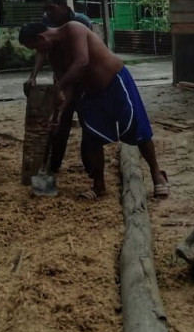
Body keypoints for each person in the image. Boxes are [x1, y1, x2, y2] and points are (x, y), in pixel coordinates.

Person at [18, 21, 170, 199]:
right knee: (92, 139)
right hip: (91, 94)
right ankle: (99, 185)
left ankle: (157, 175)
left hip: (115, 82)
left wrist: (59, 85)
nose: (38, 52)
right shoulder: (53, 54)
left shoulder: (73, 29)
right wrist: (57, 115)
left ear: (41, 38)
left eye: (35, 47)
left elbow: (82, 62)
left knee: (138, 129)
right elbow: (67, 89)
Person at [24, 0, 92, 175]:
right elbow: (42, 51)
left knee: (88, 125)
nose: (48, 12)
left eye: (52, 8)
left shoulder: (81, 22)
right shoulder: (46, 21)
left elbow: (85, 58)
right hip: (62, 79)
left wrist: (64, 82)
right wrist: (33, 76)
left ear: (63, 6)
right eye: (46, 9)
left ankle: (91, 167)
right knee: (58, 124)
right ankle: (52, 167)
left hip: (83, 81)